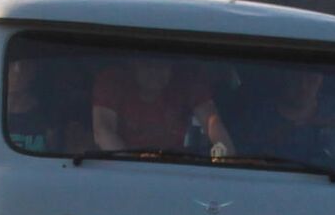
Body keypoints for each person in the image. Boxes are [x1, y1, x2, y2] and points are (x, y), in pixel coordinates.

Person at [91, 55, 231, 155]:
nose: (155, 71)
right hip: (120, 169)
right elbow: (103, 130)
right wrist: (131, 168)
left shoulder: (186, 81)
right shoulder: (114, 82)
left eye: (162, 64)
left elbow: (211, 122)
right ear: (133, 63)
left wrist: (227, 159)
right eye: (147, 64)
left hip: (174, 166)